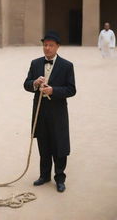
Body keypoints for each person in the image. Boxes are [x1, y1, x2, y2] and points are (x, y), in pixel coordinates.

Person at [24, 31, 76, 193]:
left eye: (51, 45)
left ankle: (59, 178)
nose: (47, 48)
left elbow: (71, 89)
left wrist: (54, 91)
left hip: (58, 112)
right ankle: (44, 175)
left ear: (57, 47)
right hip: (40, 112)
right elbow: (26, 84)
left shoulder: (67, 66)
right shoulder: (35, 63)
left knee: (59, 145)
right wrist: (34, 83)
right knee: (44, 144)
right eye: (45, 45)